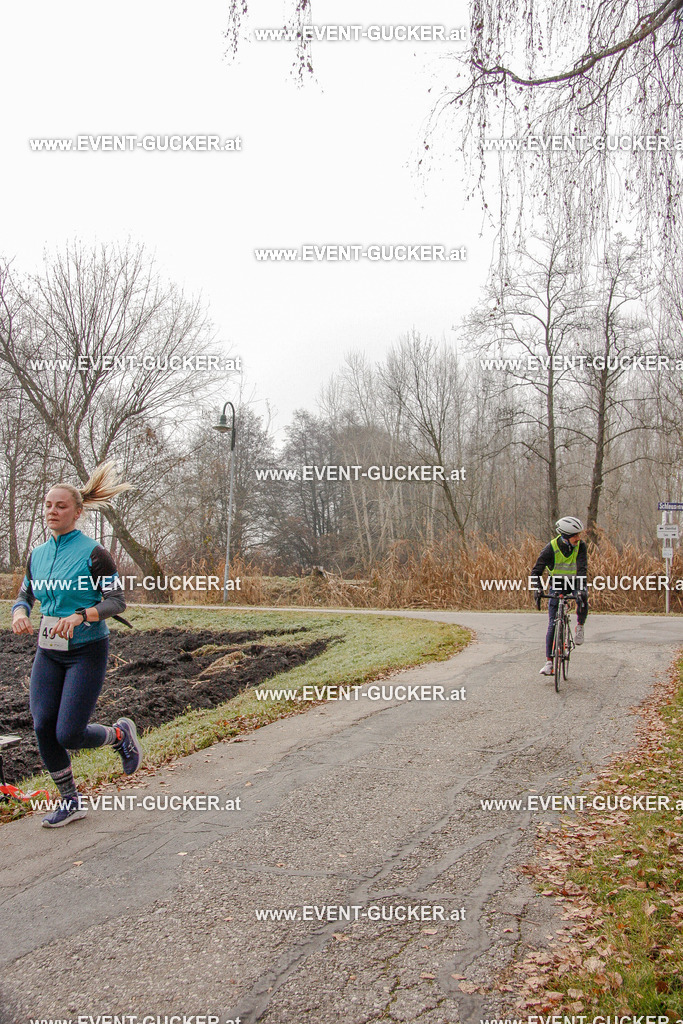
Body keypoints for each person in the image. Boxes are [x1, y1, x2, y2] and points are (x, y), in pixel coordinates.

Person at [11, 462, 142, 827]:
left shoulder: (94, 552)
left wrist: (82, 615)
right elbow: (24, 596)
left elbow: (116, 601)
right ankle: (70, 801)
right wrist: (19, 612)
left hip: (86, 650)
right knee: (42, 727)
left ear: (78, 511)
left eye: (61, 506)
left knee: (68, 732)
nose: (52, 511)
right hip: (48, 651)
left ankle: (119, 735)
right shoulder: (37, 554)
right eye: (49, 505)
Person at [530, 516, 588, 676]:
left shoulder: (580, 546)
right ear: (566, 536)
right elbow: (536, 571)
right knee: (552, 623)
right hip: (557, 583)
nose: (578, 538)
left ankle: (580, 626)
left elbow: (582, 567)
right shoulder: (551, 548)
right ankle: (549, 663)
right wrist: (538, 589)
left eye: (579, 535)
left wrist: (581, 589)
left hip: (575, 581)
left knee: (584, 596)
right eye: (575, 535)